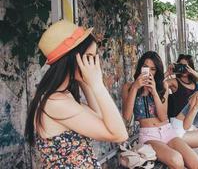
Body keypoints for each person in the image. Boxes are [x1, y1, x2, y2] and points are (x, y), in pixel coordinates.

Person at [25, 20, 128, 168]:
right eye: (90, 57)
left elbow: (101, 118)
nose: (94, 63)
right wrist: (97, 84)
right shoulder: (55, 103)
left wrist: (85, 82)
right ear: (74, 58)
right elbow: (119, 134)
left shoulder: (61, 96)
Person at [122, 51, 198, 169]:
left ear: (156, 71)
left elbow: (163, 117)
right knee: (176, 160)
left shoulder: (162, 87)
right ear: (140, 67)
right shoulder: (129, 87)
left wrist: (154, 92)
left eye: (153, 69)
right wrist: (136, 87)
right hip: (149, 136)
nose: (149, 72)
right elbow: (126, 117)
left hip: (168, 131)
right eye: (145, 67)